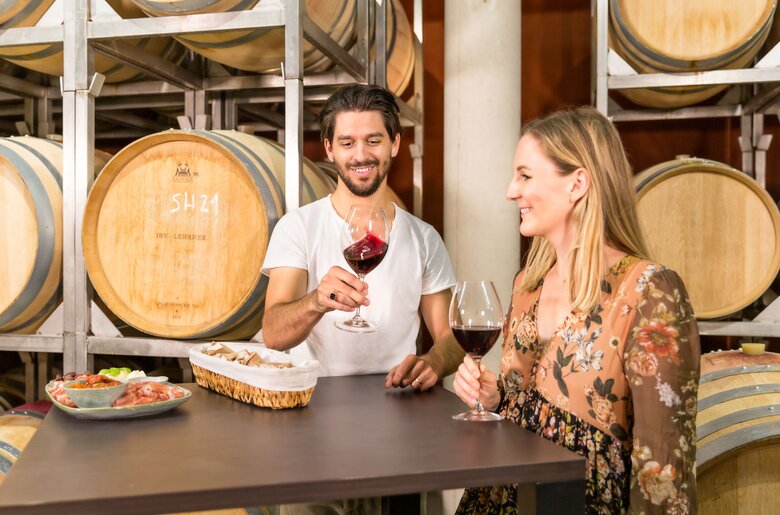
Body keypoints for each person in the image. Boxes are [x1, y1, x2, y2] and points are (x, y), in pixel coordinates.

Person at [453, 106, 700, 514]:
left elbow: (664, 467)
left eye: (525, 175)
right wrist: (494, 397)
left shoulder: (649, 291)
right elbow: (523, 404)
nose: (510, 191)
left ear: (578, 183)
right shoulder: (526, 285)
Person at [261, 84, 463, 387]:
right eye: (347, 142)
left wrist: (433, 361)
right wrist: (317, 301)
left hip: (396, 399)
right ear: (329, 149)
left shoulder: (424, 238)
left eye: (373, 140)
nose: (361, 155)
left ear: (394, 144)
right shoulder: (298, 227)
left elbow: (452, 338)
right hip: (313, 400)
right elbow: (273, 335)